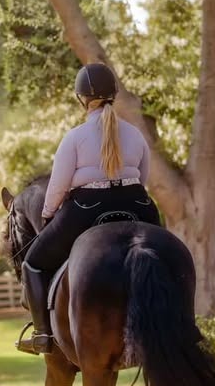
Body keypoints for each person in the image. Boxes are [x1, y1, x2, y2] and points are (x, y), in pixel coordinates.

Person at [17, 62, 160, 356]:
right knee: (163, 257)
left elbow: (57, 187)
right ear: (114, 95)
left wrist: (48, 215)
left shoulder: (74, 137)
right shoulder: (135, 134)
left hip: (86, 208)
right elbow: (143, 177)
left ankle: (42, 334)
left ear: (82, 98)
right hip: (137, 204)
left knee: (32, 262)